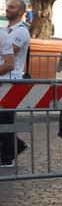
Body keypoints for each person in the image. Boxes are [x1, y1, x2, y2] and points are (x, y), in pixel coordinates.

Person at [0, 0, 31, 166]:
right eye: (8, 6)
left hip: (11, 80)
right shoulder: (6, 29)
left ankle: (5, 158)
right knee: (3, 120)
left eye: (12, 7)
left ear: (20, 12)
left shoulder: (21, 32)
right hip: (3, 80)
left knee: (5, 120)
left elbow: (8, 54)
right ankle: (17, 145)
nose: (7, 8)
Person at [0, 28, 16, 167]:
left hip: (3, 87)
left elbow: (10, 64)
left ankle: (5, 159)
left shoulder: (2, 35)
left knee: (5, 123)